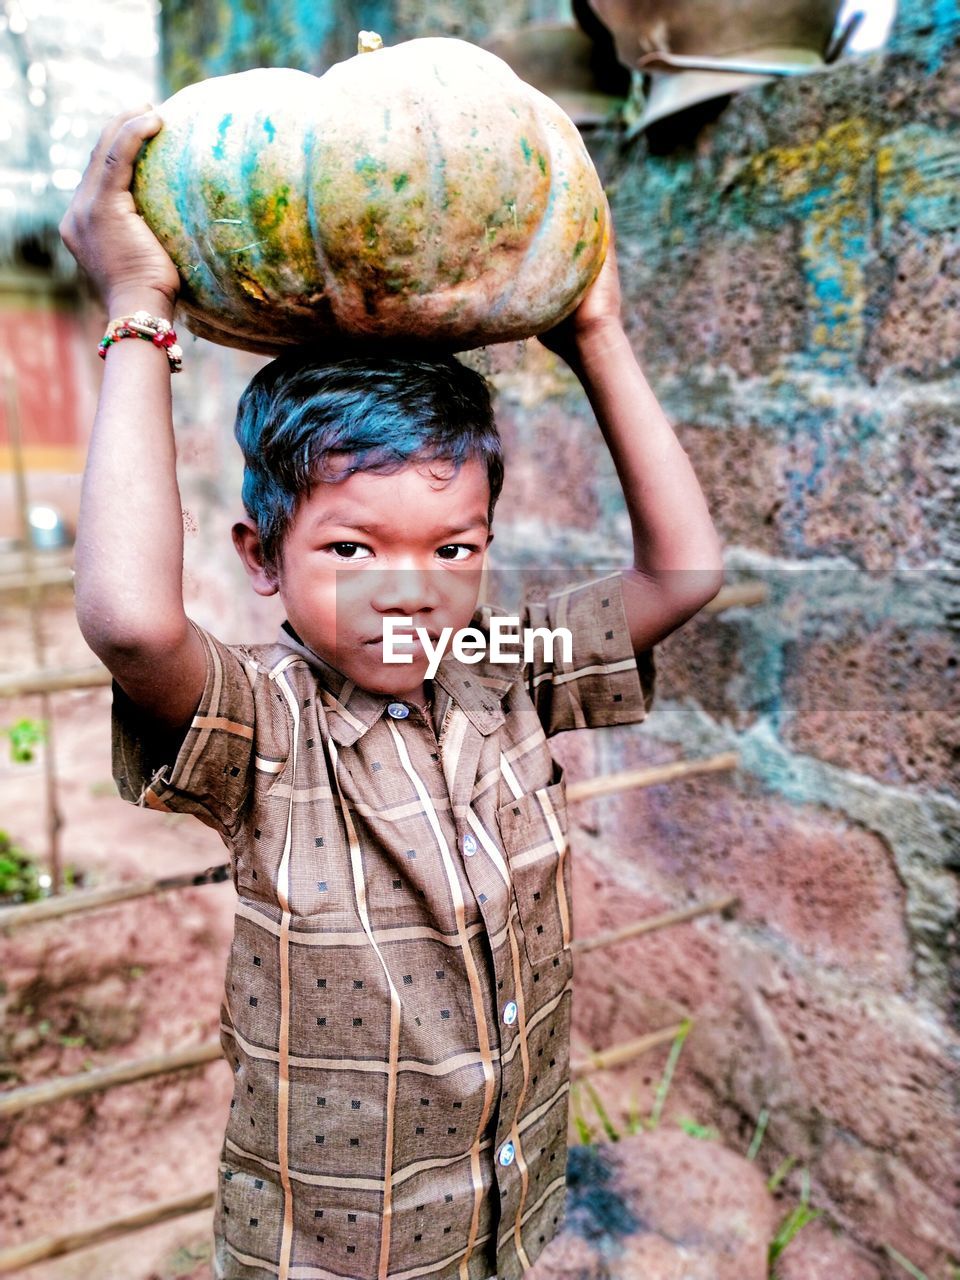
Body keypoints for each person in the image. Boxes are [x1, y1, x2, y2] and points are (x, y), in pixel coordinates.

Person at [60, 106, 724, 1280]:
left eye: (454, 549)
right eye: (352, 551)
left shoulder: (508, 667)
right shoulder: (268, 727)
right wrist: (135, 313)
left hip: (505, 1206)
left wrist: (599, 331)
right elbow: (128, 619)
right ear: (261, 558)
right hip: (334, 1246)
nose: (408, 593)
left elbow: (684, 572)